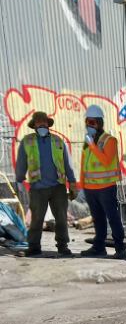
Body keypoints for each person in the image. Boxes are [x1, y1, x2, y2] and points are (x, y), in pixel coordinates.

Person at [14, 110, 78, 257]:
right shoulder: (27, 141)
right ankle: (34, 247)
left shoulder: (58, 141)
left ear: (47, 124)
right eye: (38, 122)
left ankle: (63, 246)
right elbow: (21, 164)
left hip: (58, 187)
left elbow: (68, 164)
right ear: (34, 125)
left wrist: (73, 183)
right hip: (38, 188)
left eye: (44, 122)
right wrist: (18, 181)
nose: (42, 125)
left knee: (61, 218)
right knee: (36, 219)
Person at [79, 104, 126, 259]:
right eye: (87, 122)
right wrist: (81, 186)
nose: (89, 125)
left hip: (106, 188)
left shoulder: (109, 140)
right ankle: (99, 247)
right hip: (90, 188)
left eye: (92, 122)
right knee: (98, 220)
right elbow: (83, 166)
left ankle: (120, 249)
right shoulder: (88, 142)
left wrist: (93, 146)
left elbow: (106, 161)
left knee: (113, 218)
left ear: (100, 123)